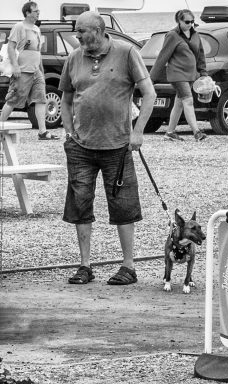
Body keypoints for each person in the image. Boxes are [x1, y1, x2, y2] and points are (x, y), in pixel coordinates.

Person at [59, 11, 156, 285]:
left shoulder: (126, 53)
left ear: (99, 30)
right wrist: (68, 132)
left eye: (81, 30)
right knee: (80, 203)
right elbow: (66, 99)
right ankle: (85, 266)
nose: (77, 35)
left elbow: (149, 93)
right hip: (80, 145)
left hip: (117, 144)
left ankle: (128, 266)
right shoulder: (74, 57)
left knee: (123, 204)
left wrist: (138, 132)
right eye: (77, 31)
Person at [0, 1, 59, 140]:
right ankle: (0, 126)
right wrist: (15, 67)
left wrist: (41, 70)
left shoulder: (36, 29)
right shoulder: (19, 27)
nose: (38, 13)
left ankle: (42, 132)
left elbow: (38, 52)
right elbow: (11, 47)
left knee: (41, 100)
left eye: (38, 11)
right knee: (13, 100)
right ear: (27, 12)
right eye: (35, 11)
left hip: (36, 71)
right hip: (22, 70)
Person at [150, 9, 208, 142]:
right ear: (179, 21)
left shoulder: (195, 35)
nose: (190, 24)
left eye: (192, 21)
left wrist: (203, 73)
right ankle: (197, 132)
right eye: (187, 22)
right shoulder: (172, 35)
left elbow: (201, 56)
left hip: (191, 75)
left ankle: (170, 132)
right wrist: (151, 79)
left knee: (179, 103)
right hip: (177, 74)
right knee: (188, 100)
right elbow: (162, 57)